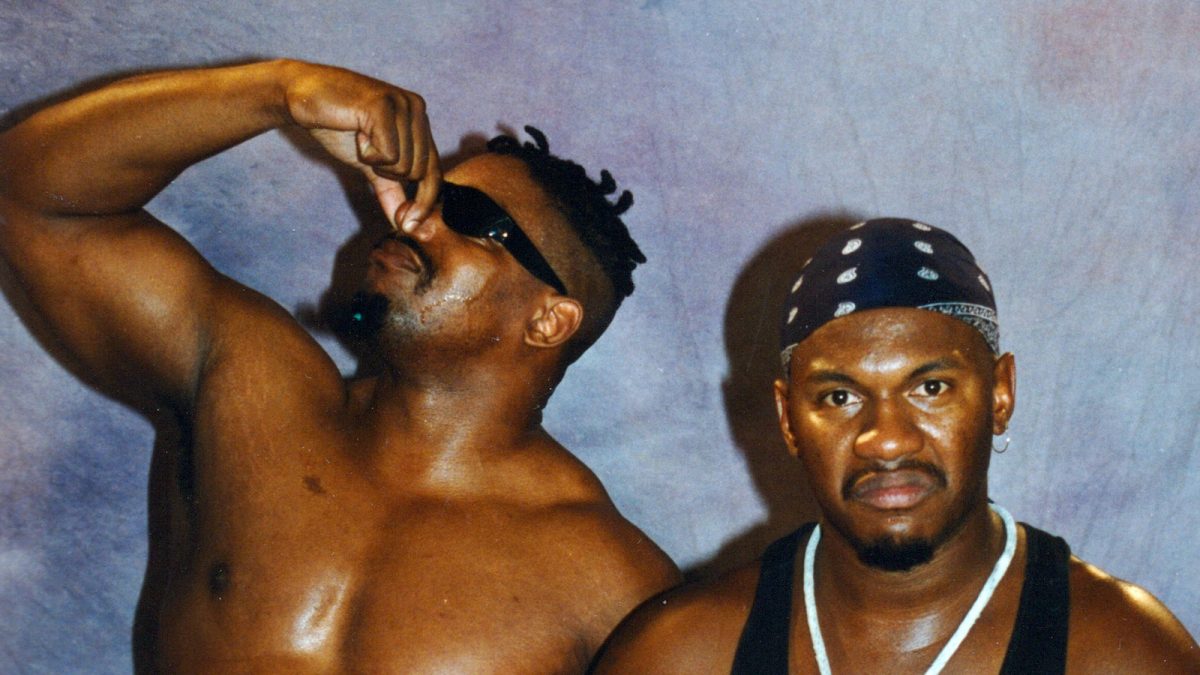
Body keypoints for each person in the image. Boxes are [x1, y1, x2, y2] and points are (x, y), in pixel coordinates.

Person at [0, 59, 679, 672]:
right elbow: (29, 197)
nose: (411, 219)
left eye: (467, 215)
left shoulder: (613, 583)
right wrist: (280, 91)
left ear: (549, 320)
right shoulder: (252, 394)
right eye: (425, 196)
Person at [593, 219, 1199, 673]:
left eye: (930, 388)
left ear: (1000, 394)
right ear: (787, 418)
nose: (885, 440)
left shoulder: (1120, 652)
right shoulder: (684, 653)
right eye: (839, 397)